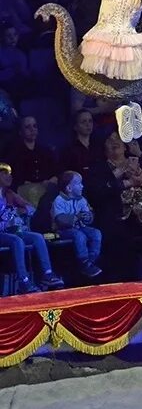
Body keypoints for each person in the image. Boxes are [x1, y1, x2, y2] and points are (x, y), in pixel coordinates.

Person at [85, 131, 142, 280]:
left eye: (118, 138)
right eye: (110, 139)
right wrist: (124, 181)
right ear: (103, 146)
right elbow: (96, 193)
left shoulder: (137, 162)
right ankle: (127, 281)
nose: (115, 141)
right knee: (120, 238)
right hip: (116, 216)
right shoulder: (98, 169)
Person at [0, 162, 64, 293]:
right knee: (16, 241)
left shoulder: (10, 194)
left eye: (10, 174)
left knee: (37, 237)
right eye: (4, 174)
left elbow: (31, 209)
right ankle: (23, 280)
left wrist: (21, 211)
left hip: (12, 231)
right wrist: (6, 220)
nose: (9, 177)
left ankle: (47, 274)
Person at [51, 171, 102, 278]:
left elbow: (88, 214)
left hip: (80, 227)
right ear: (69, 188)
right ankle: (83, 261)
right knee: (79, 235)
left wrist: (88, 217)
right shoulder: (59, 200)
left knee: (96, 233)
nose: (82, 186)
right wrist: (77, 217)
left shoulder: (82, 200)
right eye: (79, 184)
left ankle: (91, 260)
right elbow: (60, 219)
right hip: (63, 230)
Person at [6, 115, 59, 187]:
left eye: (34, 126)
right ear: (20, 131)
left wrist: (52, 180)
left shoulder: (46, 151)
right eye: (27, 127)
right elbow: (13, 175)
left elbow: (56, 171)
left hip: (46, 189)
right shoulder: (14, 153)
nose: (32, 129)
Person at [59, 109, 100, 177]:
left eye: (90, 121)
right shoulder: (69, 149)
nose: (88, 124)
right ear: (75, 126)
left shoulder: (98, 146)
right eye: (83, 122)